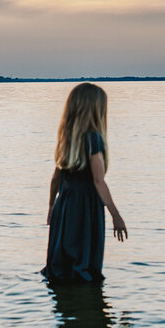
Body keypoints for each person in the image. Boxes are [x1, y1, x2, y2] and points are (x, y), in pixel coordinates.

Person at [42, 82, 127, 283]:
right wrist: (116, 216)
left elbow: (56, 177)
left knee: (63, 263)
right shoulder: (93, 139)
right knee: (83, 262)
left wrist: (52, 206)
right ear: (96, 109)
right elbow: (98, 181)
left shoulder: (67, 138)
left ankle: (65, 297)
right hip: (86, 205)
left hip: (65, 204)